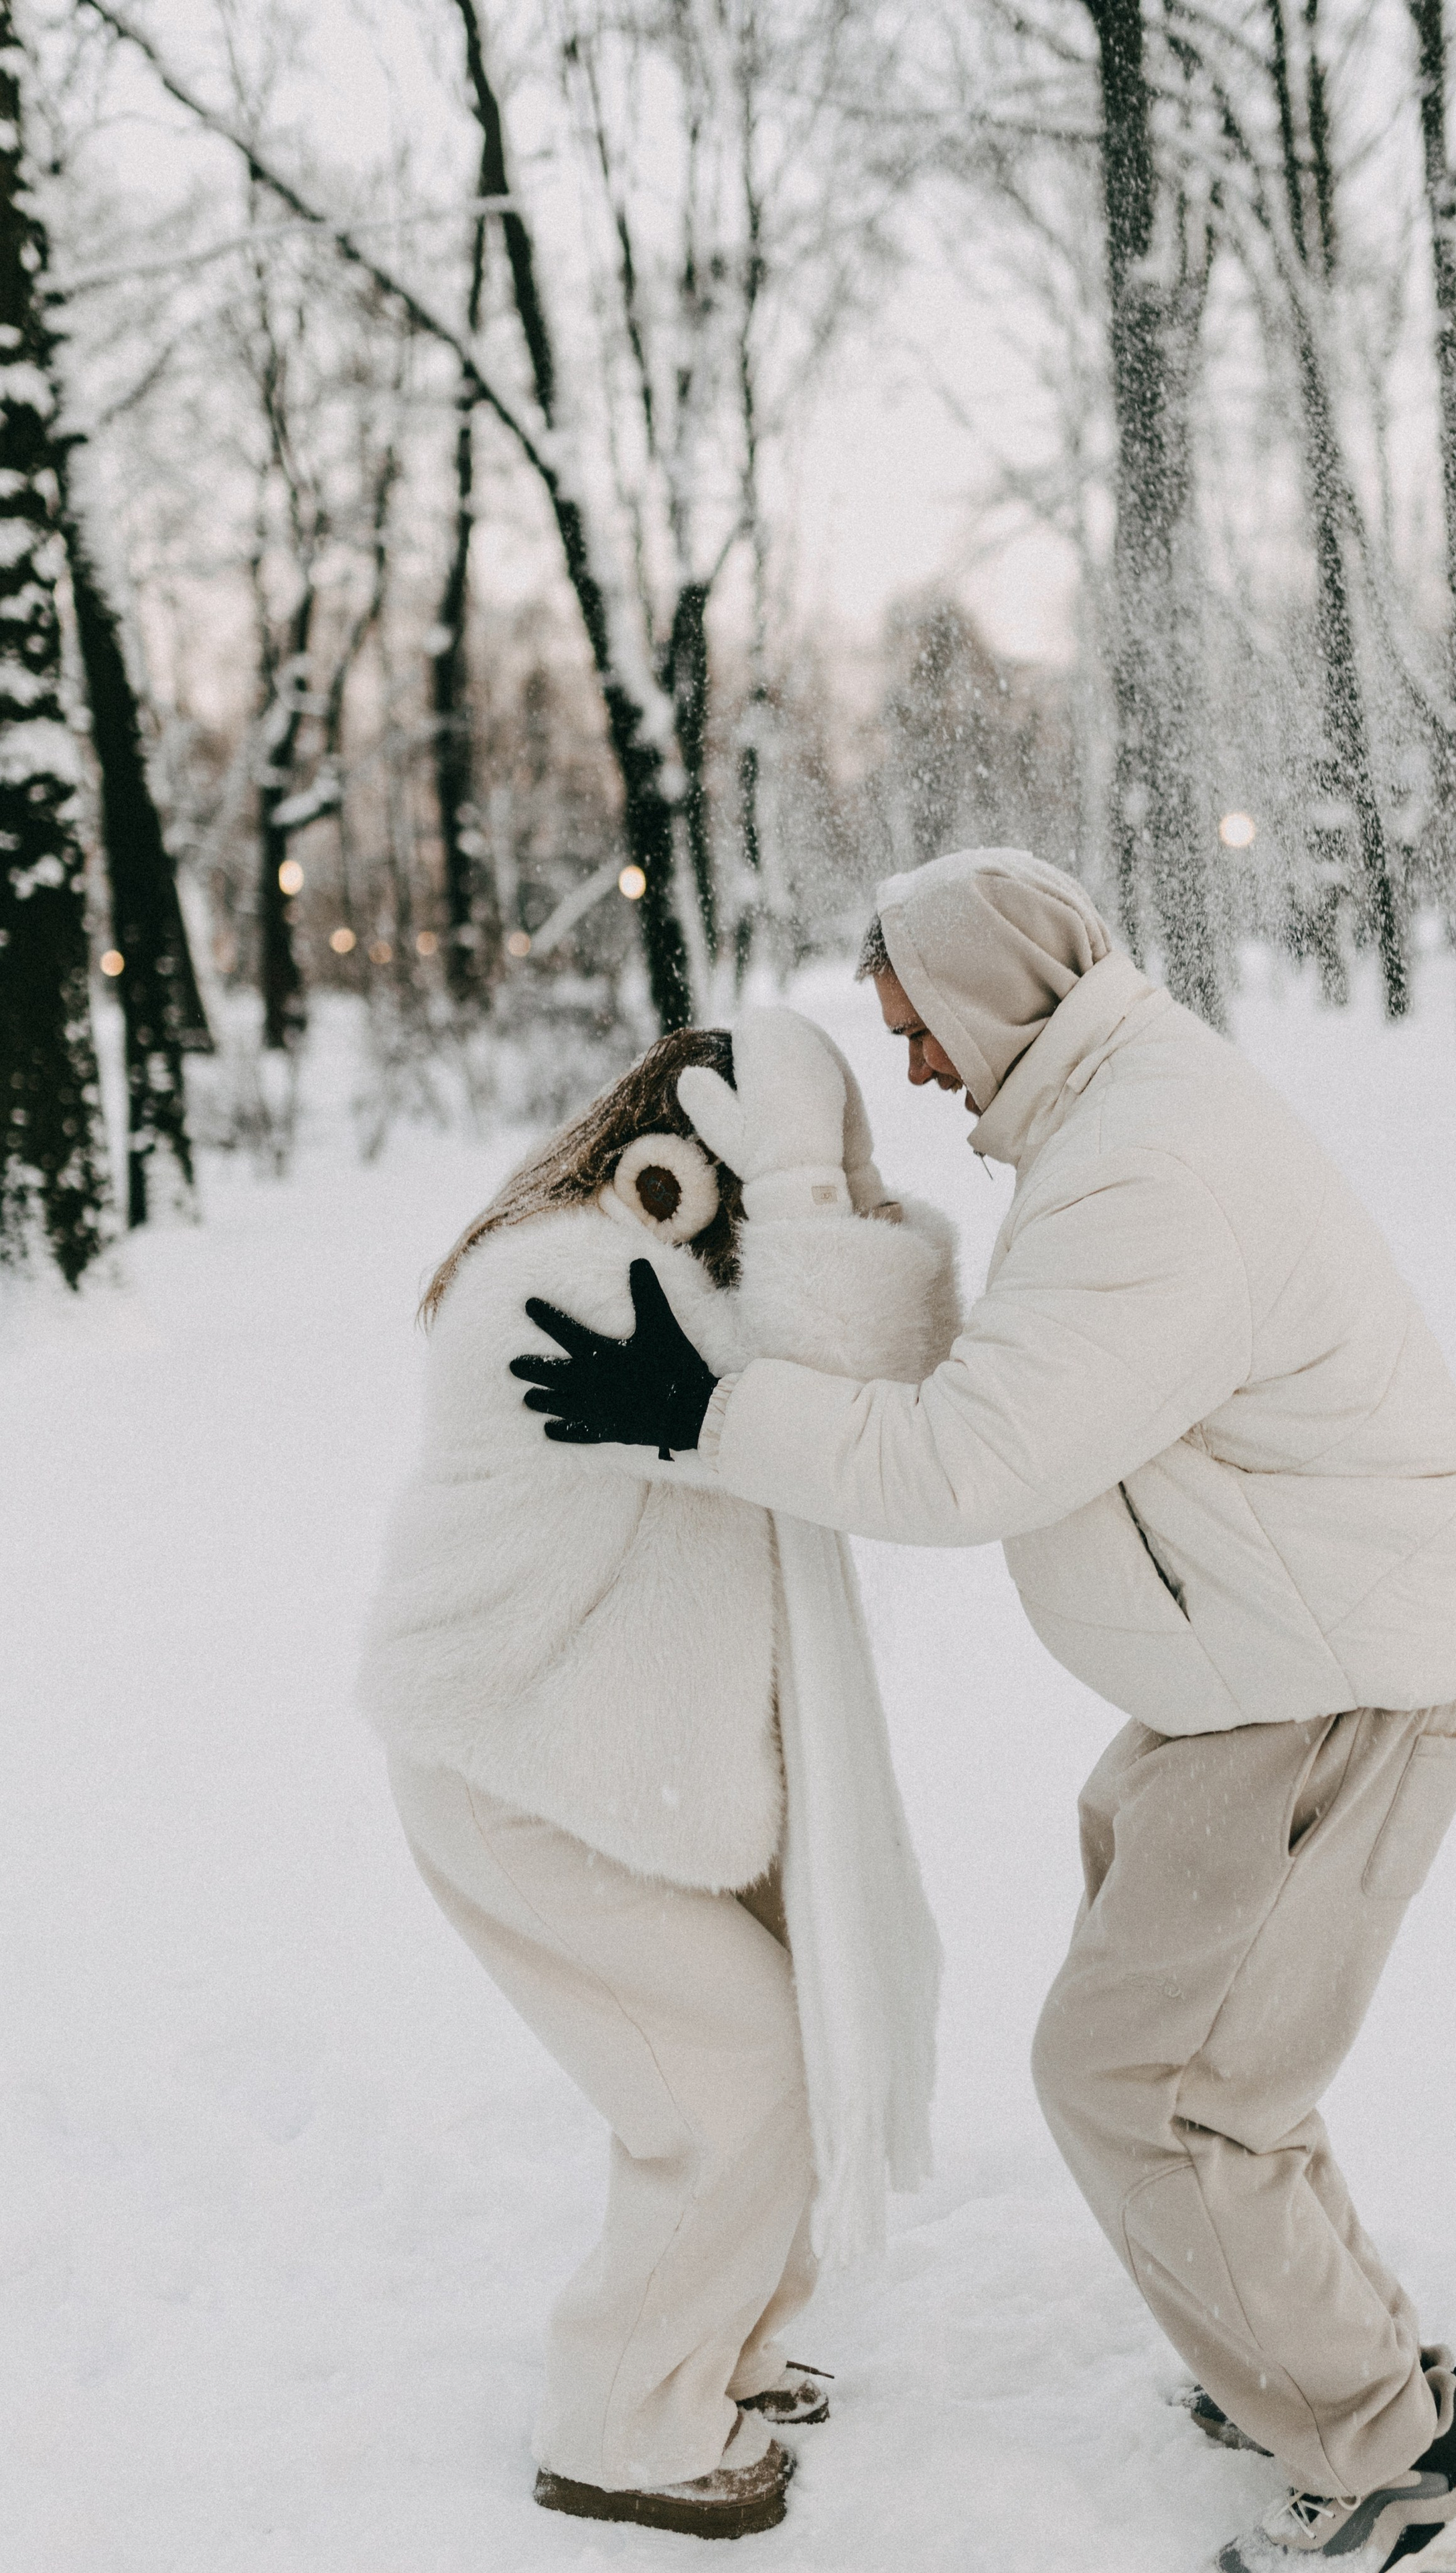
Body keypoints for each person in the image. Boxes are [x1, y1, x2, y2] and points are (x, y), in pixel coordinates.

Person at [511, 849, 1456, 2573]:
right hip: (1258, 1675)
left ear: (996, 998)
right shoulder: (1115, 1118)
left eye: (919, 1029)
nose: (914, 1068)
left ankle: (1395, 2459)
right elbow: (1009, 1385)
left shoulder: (1146, 1174)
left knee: (1156, 2085)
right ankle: (1307, 2363)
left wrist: (701, 1412)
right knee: (1209, 2076)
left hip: (1326, 1686)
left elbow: (971, 1456)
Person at [360, 1008, 952, 2540]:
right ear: (692, 1152)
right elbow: (829, 1376)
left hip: (643, 1769)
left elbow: (884, 1392)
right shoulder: (570, 1280)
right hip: (518, 1763)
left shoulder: (694, 1279)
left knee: (786, 2061)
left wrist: (824, 1195)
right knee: (730, 2086)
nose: (808, 1193)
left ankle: (722, 2349)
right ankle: (621, 2421)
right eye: (785, 1160)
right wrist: (810, 1199)